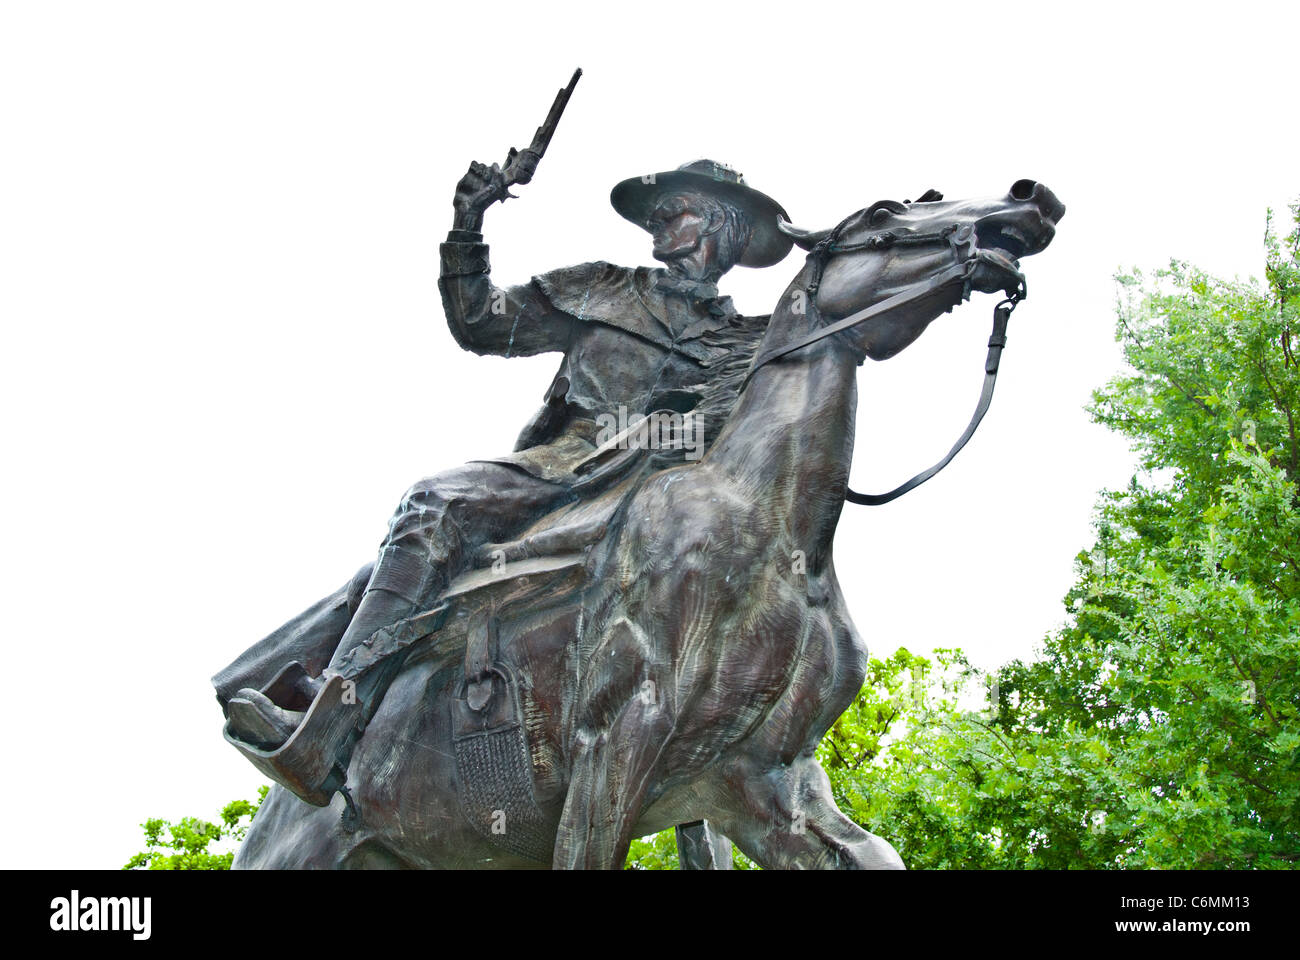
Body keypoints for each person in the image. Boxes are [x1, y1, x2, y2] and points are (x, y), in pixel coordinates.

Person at [218, 158, 792, 806]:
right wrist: (469, 222)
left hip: (667, 502)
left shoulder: (748, 342)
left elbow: (750, 446)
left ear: (721, 225)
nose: (657, 221)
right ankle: (323, 726)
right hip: (563, 468)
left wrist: (660, 439)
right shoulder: (601, 288)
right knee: (433, 509)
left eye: (675, 209)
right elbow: (482, 320)